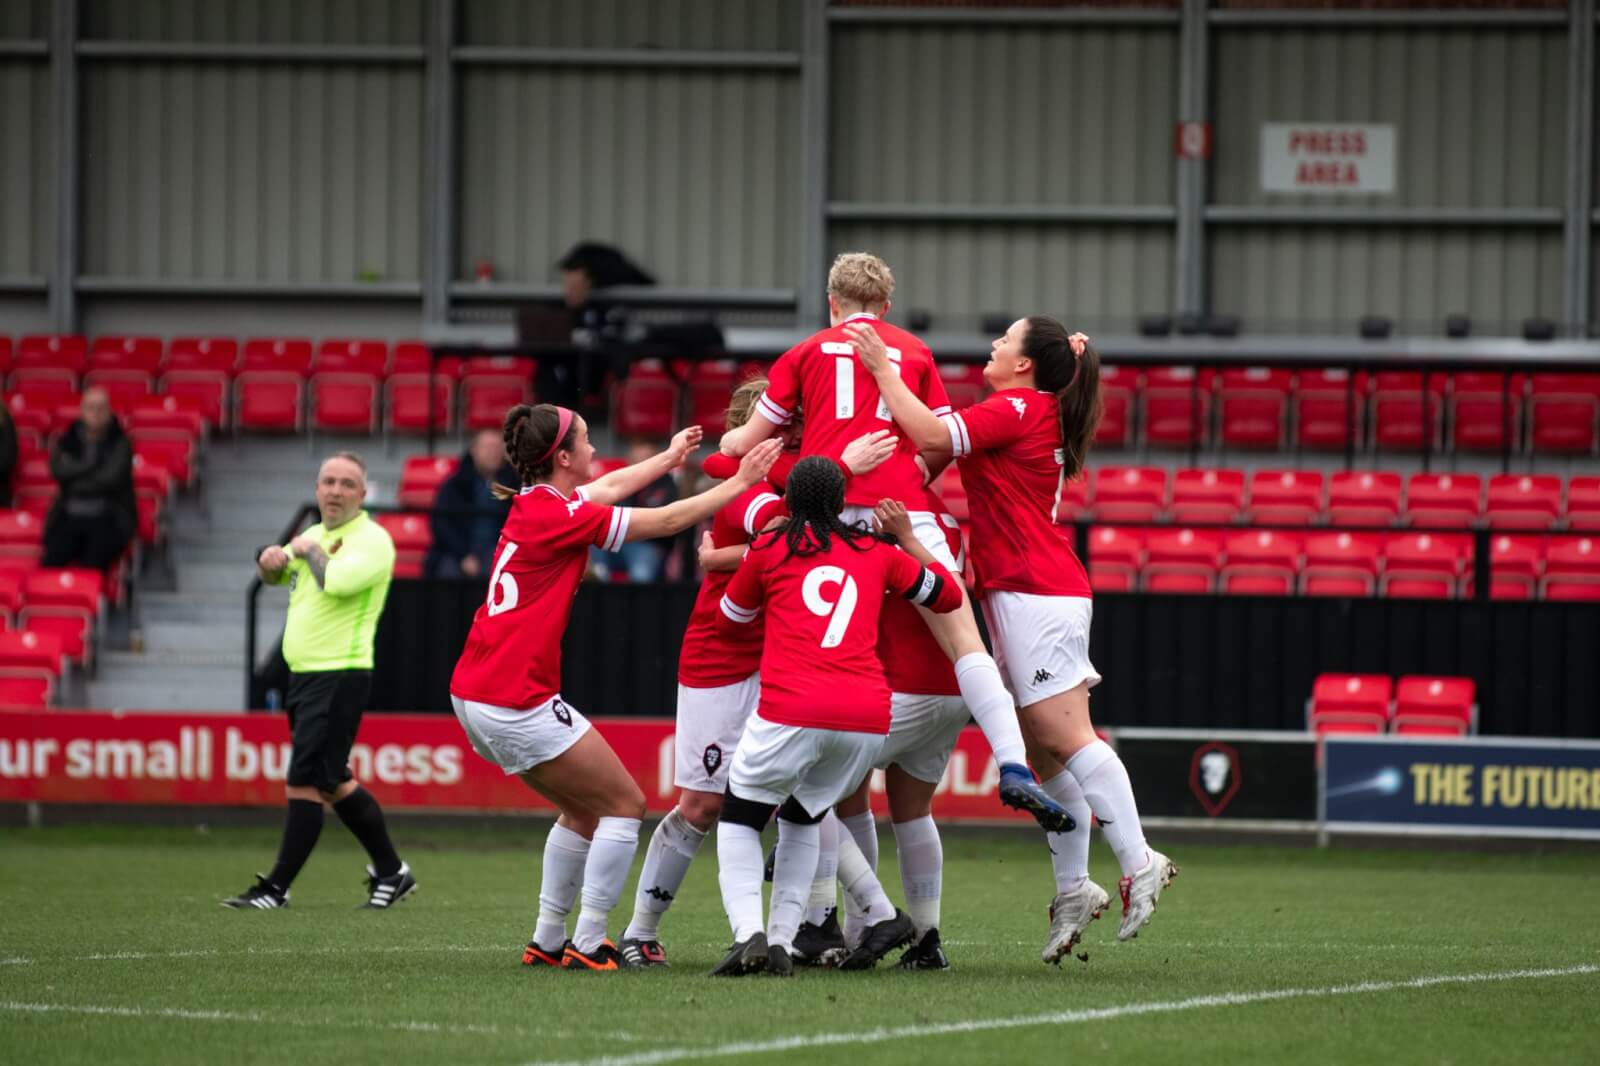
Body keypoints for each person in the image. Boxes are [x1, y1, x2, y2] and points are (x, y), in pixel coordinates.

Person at [848, 314, 1179, 957]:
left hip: (1037, 590)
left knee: (1064, 736)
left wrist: (882, 368)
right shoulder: (1032, 407)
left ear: (1026, 364)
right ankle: (1074, 886)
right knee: (1046, 754)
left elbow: (928, 430)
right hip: (1025, 589)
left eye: (1006, 338)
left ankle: (1140, 861)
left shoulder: (1019, 407)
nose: (994, 345)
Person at [718, 252, 1072, 834]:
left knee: (817, 656)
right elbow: (934, 437)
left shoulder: (803, 353)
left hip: (827, 520)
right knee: (964, 639)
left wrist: (737, 441)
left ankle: (826, 899)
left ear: (831, 302)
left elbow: (740, 445)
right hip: (901, 508)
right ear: (886, 306)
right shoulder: (912, 350)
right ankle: (1012, 764)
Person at [447, 403, 781, 972]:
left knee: (583, 811)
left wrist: (669, 459)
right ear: (565, 457)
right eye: (585, 440)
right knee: (626, 805)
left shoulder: (541, 503)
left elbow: (610, 487)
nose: (596, 449)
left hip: (476, 692)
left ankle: (549, 938)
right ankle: (592, 939)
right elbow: (670, 522)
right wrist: (743, 482)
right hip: (512, 697)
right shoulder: (559, 514)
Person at [616, 380, 897, 967]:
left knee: (804, 799)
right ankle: (640, 931)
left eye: (799, 424)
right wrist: (840, 472)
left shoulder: (771, 483)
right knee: (702, 805)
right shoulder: (744, 493)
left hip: (780, 662)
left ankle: (855, 919)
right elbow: (791, 539)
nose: (797, 432)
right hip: (722, 658)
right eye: (786, 425)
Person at [708, 457, 964, 977]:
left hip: (793, 705)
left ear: (791, 503)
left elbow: (729, 619)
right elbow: (948, 596)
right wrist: (910, 541)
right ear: (842, 502)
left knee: (740, 818)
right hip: (867, 716)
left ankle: (748, 936)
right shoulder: (877, 552)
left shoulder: (769, 549)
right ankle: (779, 942)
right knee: (804, 815)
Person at [224, 452, 412, 911]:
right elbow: (275, 575)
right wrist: (270, 562)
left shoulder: (372, 540)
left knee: (306, 778)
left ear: (362, 495)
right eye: (328, 481)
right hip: (305, 675)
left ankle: (276, 888)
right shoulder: (313, 535)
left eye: (347, 483)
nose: (335, 490)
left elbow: (337, 583)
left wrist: (307, 552)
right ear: (316, 488)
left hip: (339, 673)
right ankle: (391, 872)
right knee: (331, 779)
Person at [43, 387, 136, 571]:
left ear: (109, 411)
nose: (96, 413)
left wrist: (74, 478)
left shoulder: (121, 442)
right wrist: (91, 465)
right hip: (68, 513)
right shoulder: (67, 439)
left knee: (94, 564)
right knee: (50, 564)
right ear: (82, 410)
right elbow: (57, 470)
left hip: (108, 514)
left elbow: (109, 479)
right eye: (91, 407)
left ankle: (93, 597)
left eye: (101, 408)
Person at [424, 429, 518, 579]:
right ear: (474, 450)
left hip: (499, 550)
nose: (492, 453)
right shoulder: (454, 485)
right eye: (487, 448)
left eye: (496, 448)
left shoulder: (514, 485)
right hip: (458, 551)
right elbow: (441, 525)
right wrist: (463, 556)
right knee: (447, 572)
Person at [588, 438, 678, 583]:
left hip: (648, 544)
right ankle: (600, 575)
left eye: (645, 460)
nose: (641, 466)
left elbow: (659, 521)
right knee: (594, 538)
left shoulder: (666, 484)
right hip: (621, 543)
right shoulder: (622, 483)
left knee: (640, 576)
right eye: (636, 461)